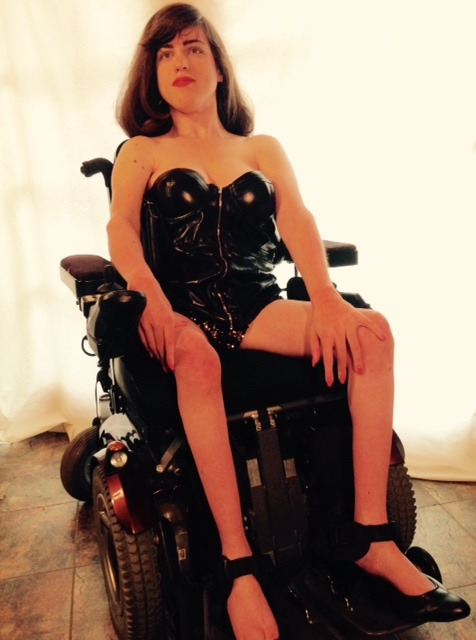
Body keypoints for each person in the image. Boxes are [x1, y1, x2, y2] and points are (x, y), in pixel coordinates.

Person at [107, 4, 470, 639]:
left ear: (220, 68)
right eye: (165, 54)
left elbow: (298, 220)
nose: (180, 62)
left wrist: (326, 298)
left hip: (256, 305)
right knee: (198, 358)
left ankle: (370, 537)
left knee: (372, 331)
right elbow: (122, 231)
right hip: (178, 310)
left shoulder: (261, 148)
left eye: (193, 48)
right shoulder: (142, 152)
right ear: (153, 77)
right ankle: (239, 568)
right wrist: (151, 300)